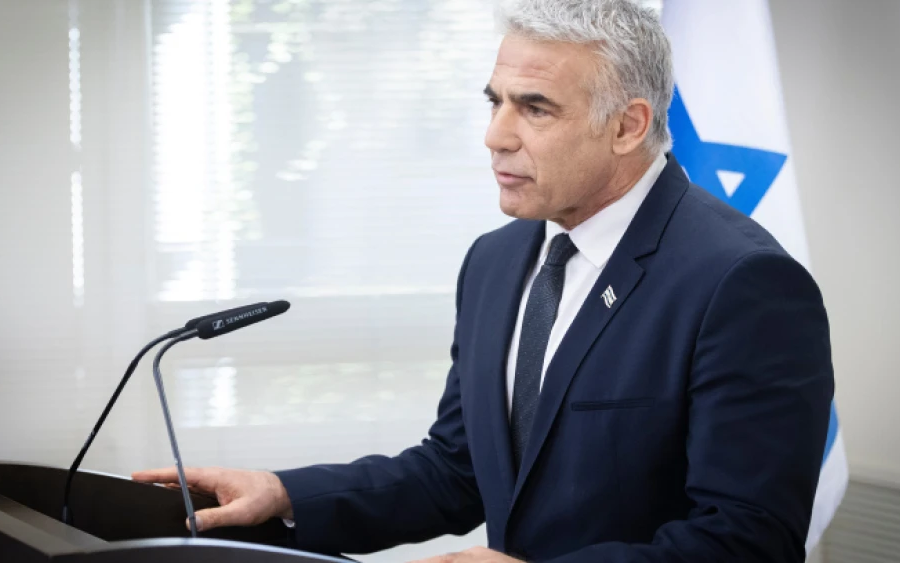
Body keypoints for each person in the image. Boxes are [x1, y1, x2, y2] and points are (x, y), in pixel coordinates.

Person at [133, 1, 834, 561]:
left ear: (628, 126)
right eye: (494, 101)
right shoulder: (495, 261)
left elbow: (749, 540)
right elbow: (458, 470)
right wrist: (284, 494)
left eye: (535, 107)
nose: (496, 135)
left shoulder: (743, 282)